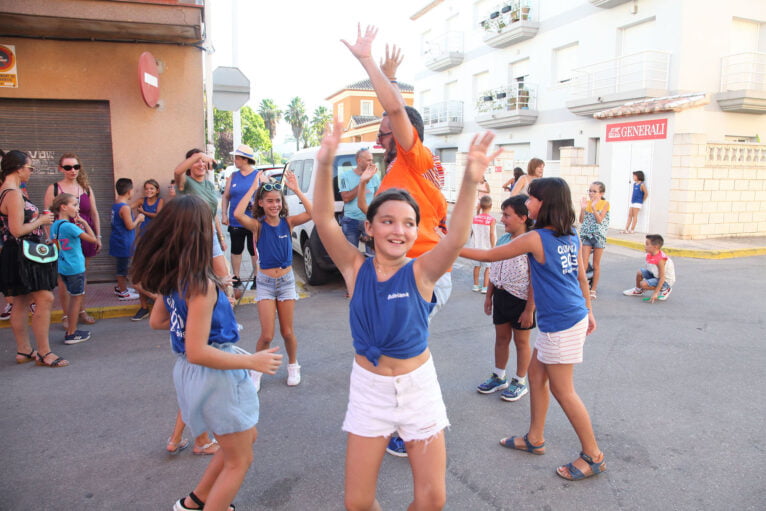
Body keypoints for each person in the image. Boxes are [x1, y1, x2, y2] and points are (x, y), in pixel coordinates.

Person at [314, 120, 500, 510]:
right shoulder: (354, 268)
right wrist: (324, 161)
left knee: (432, 500)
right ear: (369, 227)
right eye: (387, 221)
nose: (398, 230)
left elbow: (457, 236)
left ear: (417, 232)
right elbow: (323, 219)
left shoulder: (423, 271)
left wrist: (469, 181)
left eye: (409, 223)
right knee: (358, 503)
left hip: (418, 389)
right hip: (370, 390)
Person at [131, 194, 282, 511]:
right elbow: (198, 351)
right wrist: (252, 360)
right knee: (240, 461)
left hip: (191, 373)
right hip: (214, 372)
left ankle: (194, 502)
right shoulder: (201, 283)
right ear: (200, 235)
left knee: (243, 439)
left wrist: (189, 324)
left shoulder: (176, 277)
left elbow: (159, 321)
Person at [344, 24, 452, 460]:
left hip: (420, 271)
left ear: (407, 134)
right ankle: (403, 423)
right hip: (407, 270)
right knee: (386, 349)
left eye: (387, 132)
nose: (380, 137)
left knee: (393, 350)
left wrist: (372, 66)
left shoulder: (416, 156)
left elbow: (395, 108)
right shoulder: (403, 171)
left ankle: (408, 426)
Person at [461, 177, 606, 481]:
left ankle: (593, 456)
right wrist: (589, 313)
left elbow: (489, 257)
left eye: (530, 198)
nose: (526, 203)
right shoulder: (571, 236)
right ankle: (535, 438)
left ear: (544, 203)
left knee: (563, 390)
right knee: (537, 376)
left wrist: (447, 247)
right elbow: (581, 278)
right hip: (571, 318)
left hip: (562, 324)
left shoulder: (537, 238)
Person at [233, 170, 312, 389]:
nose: (274, 205)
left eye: (277, 201)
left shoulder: (288, 223)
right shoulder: (257, 226)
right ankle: (256, 371)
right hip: (266, 284)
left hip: (286, 282)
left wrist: (296, 189)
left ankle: (293, 365)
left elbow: (312, 212)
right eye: (269, 201)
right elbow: (238, 214)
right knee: (267, 335)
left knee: (287, 332)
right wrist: (252, 186)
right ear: (261, 203)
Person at [0, 150, 68, 367]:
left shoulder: (6, 191)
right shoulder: (12, 193)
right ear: (19, 168)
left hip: (14, 252)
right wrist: (40, 221)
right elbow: (17, 229)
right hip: (23, 254)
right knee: (45, 298)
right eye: (30, 168)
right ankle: (44, 352)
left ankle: (25, 351)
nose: (31, 172)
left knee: (20, 301)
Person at [473, 195, 536, 402]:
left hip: (521, 300)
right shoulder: (502, 240)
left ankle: (520, 381)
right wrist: (489, 296)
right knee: (501, 339)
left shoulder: (532, 243)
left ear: (523, 217)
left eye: (507, 215)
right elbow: (494, 266)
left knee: (521, 342)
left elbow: (535, 280)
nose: (502, 220)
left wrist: (529, 309)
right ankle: (499, 377)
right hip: (501, 295)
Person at [44, 153, 101, 326]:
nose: (73, 170)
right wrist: (51, 239)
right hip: (64, 239)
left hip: (84, 235)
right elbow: (47, 215)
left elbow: (94, 212)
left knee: (81, 275)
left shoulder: (86, 188)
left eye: (76, 167)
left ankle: (80, 311)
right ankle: (66, 315)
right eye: (68, 167)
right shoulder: (54, 188)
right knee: (63, 279)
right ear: (61, 169)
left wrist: (97, 236)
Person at [173, 149, 229, 281]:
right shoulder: (185, 182)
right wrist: (199, 155)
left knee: (224, 277)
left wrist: (221, 237)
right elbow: (177, 171)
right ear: (189, 165)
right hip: (191, 235)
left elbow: (212, 213)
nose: (201, 164)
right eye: (196, 161)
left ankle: (225, 301)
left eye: (204, 161)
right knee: (195, 278)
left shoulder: (209, 185)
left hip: (210, 233)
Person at [51, 193, 98, 344]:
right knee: (76, 298)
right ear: (63, 207)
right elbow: (93, 240)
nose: (78, 208)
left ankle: (72, 329)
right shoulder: (70, 226)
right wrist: (84, 223)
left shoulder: (55, 225)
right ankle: (72, 332)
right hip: (75, 267)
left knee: (72, 297)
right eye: (75, 205)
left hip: (62, 266)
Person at [221, 145, 263, 288]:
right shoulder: (233, 176)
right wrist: (224, 214)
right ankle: (236, 277)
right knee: (236, 249)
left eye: (237, 158)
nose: (235, 160)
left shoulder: (258, 175)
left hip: (253, 221)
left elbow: (269, 195)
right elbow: (226, 196)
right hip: (235, 221)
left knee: (254, 250)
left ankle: (257, 278)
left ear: (245, 160)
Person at [340, 148, 379, 255]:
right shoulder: (345, 176)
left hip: (369, 220)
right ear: (359, 161)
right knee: (350, 256)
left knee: (372, 255)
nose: (371, 163)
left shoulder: (375, 177)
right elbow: (346, 198)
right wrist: (363, 181)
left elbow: (378, 197)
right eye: (368, 160)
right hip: (351, 220)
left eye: (372, 160)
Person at [109, 178, 144, 301]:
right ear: (129, 191)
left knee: (122, 265)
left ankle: (121, 287)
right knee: (123, 268)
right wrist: (139, 218)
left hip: (118, 240)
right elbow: (130, 226)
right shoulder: (125, 208)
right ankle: (123, 292)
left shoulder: (116, 204)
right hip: (123, 242)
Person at [579, 181, 610, 300]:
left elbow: (599, 220)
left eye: (594, 191)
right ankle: (583, 286)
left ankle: (593, 289)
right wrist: (583, 209)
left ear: (601, 193)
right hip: (586, 235)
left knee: (596, 264)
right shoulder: (587, 203)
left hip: (598, 236)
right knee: (584, 263)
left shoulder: (605, 203)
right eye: (590, 191)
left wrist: (593, 208)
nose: (591, 193)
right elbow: (581, 220)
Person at [623, 234, 675, 302]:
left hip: (665, 281)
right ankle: (638, 291)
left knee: (643, 284)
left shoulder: (660, 260)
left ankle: (665, 288)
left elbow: (662, 277)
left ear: (655, 247)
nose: (645, 246)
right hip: (656, 275)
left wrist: (655, 293)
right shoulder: (651, 254)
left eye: (647, 244)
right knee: (640, 272)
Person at [471, 195, 496, 293]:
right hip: (487, 247)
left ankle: (475, 285)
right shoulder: (491, 219)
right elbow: (492, 234)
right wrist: (493, 246)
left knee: (477, 266)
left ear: (480, 206)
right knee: (488, 267)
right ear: (491, 206)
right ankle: (485, 287)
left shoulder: (475, 218)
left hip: (476, 246)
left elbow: (473, 232)